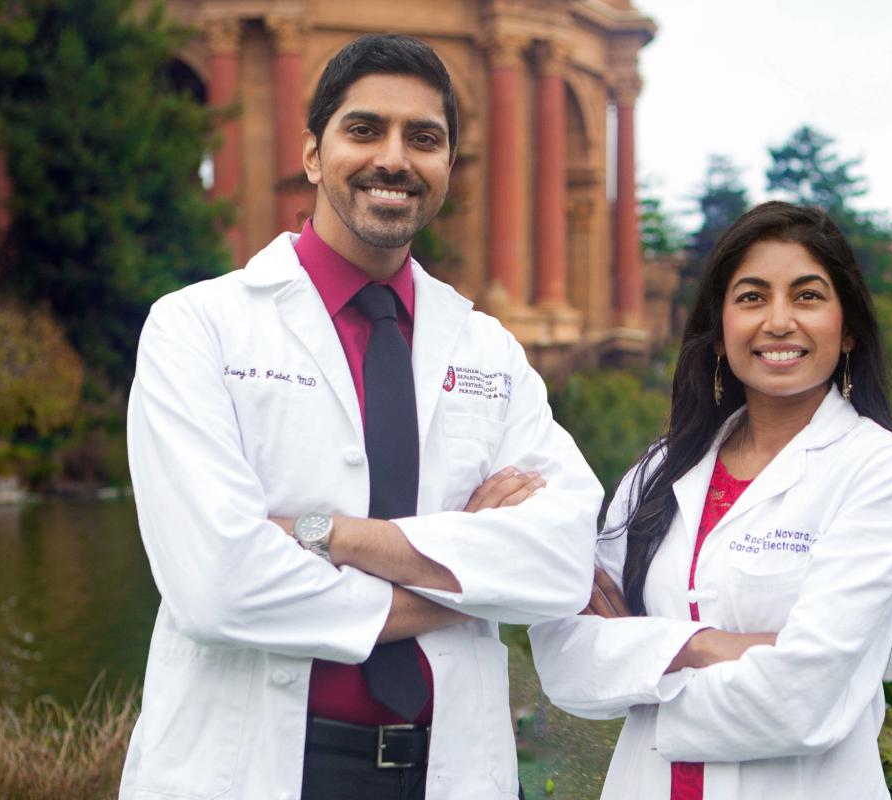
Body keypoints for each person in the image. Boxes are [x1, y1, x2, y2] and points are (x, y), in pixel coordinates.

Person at [120, 34, 601, 800]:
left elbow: (564, 560)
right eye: (365, 129)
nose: (395, 159)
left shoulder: (489, 351)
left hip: (447, 768)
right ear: (313, 154)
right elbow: (218, 584)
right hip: (256, 767)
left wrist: (325, 534)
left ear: (447, 166)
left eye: (425, 138)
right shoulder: (197, 327)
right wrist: (464, 588)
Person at [529, 201, 892, 800]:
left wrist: (643, 665)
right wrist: (708, 646)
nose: (778, 321)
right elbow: (565, 660)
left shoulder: (879, 473)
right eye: (751, 297)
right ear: (718, 333)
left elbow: (802, 698)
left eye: (808, 296)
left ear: (847, 329)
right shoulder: (660, 470)